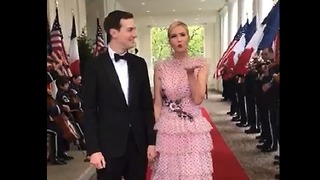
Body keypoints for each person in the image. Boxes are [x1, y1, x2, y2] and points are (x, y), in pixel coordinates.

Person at [82, 10, 157, 180]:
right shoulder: (94, 66)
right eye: (130, 30)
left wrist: (152, 142)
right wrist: (93, 150)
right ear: (114, 33)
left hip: (138, 146)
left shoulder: (139, 64)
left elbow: (147, 107)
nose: (135, 34)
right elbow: (90, 110)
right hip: (108, 147)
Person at [151, 21, 213, 180]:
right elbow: (157, 103)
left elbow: (198, 98)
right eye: (174, 36)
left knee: (192, 174)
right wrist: (153, 137)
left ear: (188, 37)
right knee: (169, 174)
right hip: (168, 128)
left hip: (192, 127)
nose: (178, 39)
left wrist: (190, 73)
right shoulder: (160, 67)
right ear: (169, 41)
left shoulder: (201, 64)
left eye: (182, 35)